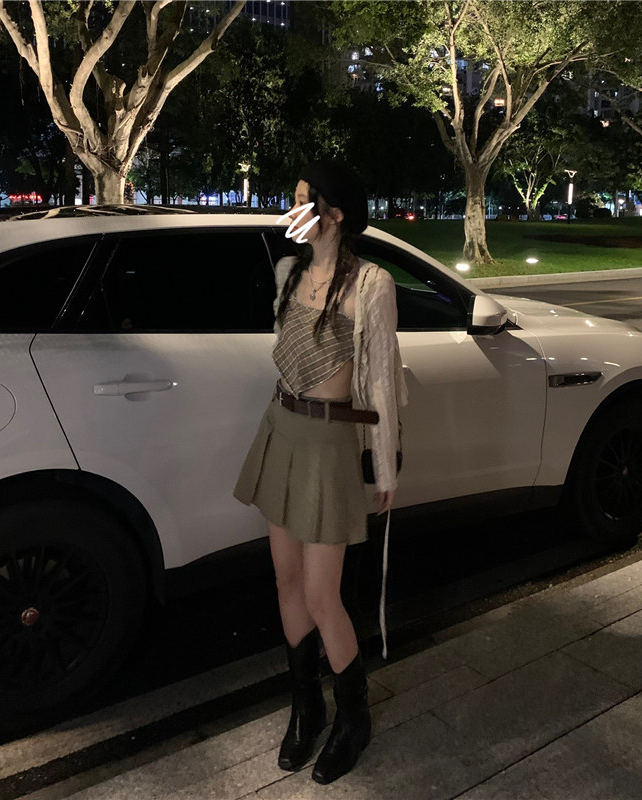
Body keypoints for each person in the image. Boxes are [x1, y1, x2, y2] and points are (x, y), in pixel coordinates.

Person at [234, 160, 407, 785]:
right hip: (282, 429)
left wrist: (384, 466)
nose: (292, 211)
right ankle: (305, 707)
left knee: (320, 594)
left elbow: (381, 380)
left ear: (333, 215)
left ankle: (353, 716)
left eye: (303, 201)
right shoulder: (289, 271)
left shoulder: (372, 284)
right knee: (285, 582)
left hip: (330, 444)